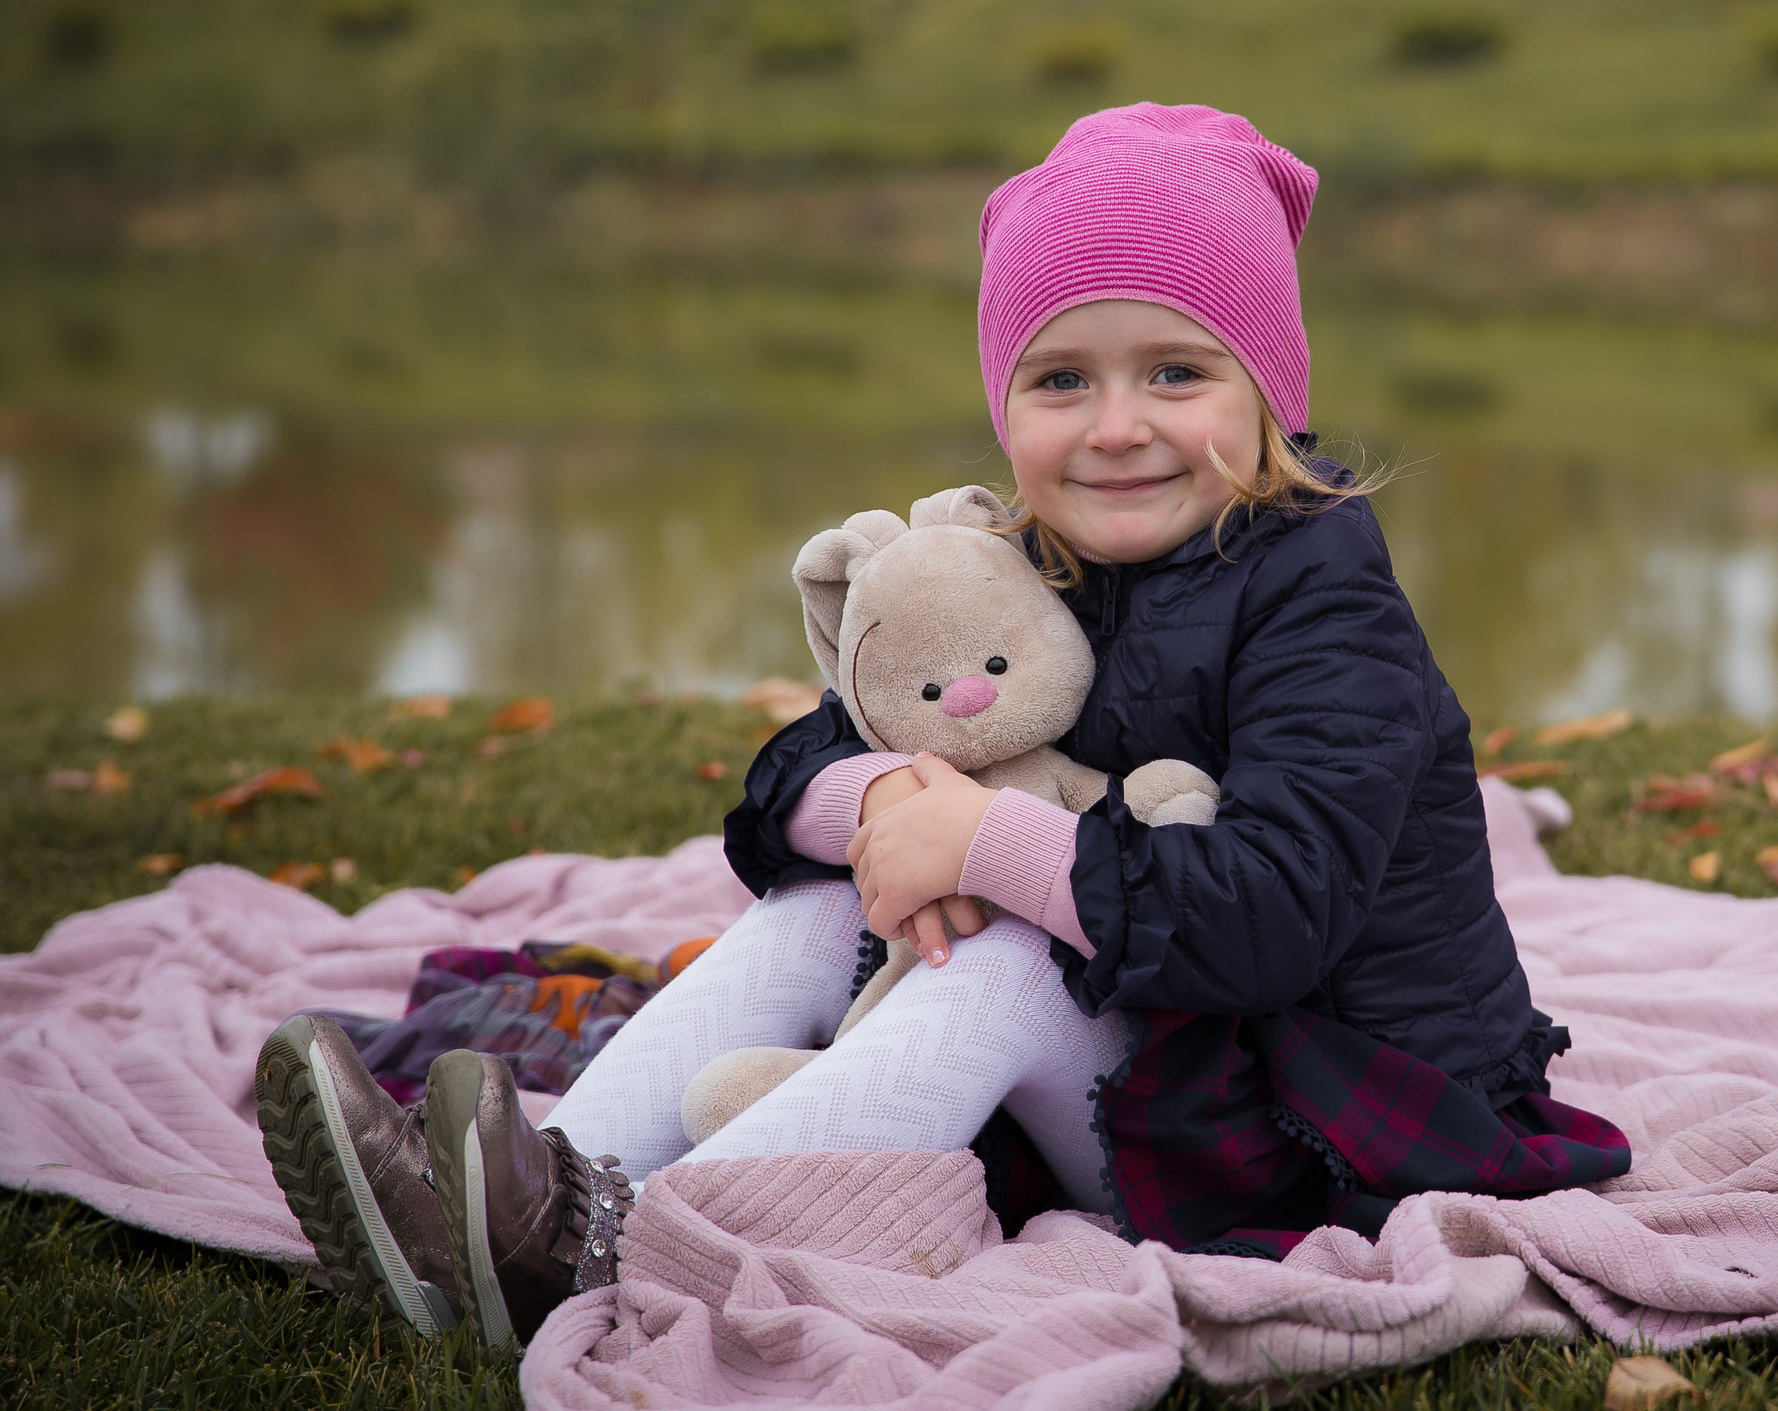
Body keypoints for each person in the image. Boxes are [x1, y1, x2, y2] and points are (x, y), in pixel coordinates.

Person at [255, 102, 1627, 1351]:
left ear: (1267, 385)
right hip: (1166, 1061)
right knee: (822, 908)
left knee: (1009, 951)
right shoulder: (1019, 557)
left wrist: (983, 836)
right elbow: (800, 761)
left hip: (1325, 1106)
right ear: (1004, 404)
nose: (1118, 429)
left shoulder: (1324, 600)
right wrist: (881, 812)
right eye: (1061, 381)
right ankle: (530, 1200)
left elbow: (1276, 918)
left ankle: (617, 1248)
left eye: (1176, 373)